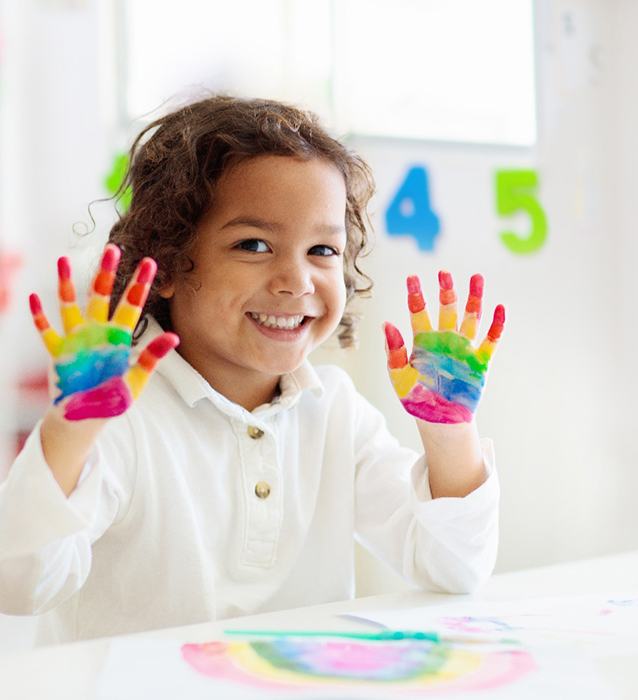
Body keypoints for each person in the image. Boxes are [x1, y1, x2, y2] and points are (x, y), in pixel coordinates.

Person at [0, 95, 505, 645]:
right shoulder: (124, 418)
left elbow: (454, 570)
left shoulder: (335, 409)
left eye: (322, 250)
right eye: (254, 244)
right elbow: (20, 585)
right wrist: (69, 437)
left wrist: (450, 433)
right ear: (165, 264)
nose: (297, 280)